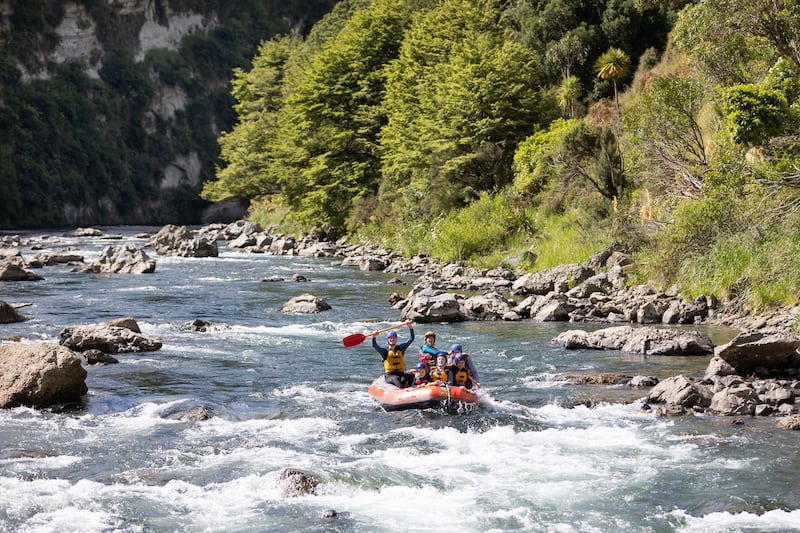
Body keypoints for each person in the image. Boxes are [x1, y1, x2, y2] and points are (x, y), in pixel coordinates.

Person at [372, 320, 415, 388]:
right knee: (396, 379)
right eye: (390, 338)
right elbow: (375, 346)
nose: (392, 339)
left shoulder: (401, 348)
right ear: (387, 340)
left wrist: (410, 327)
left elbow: (411, 339)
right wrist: (374, 337)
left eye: (394, 338)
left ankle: (409, 389)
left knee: (411, 375)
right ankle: (401, 391)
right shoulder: (384, 351)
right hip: (390, 376)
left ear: (396, 339)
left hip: (400, 374)